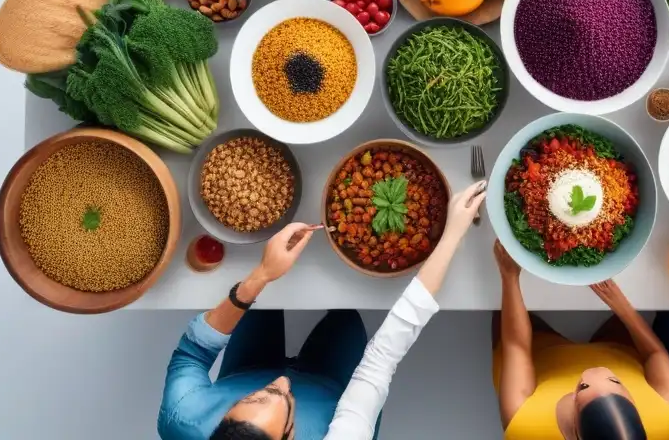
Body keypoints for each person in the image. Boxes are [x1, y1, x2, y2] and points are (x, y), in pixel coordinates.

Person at [157, 181, 486, 440]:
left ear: (223, 419)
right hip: (332, 388)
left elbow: (193, 352)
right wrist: (452, 235)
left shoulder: (181, 418)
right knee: (347, 320)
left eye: (255, 398)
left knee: (263, 309)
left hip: (245, 367)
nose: (283, 379)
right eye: (285, 401)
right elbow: (380, 361)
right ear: (289, 435)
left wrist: (262, 275)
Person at [493, 240, 669, 439]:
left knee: (497, 312)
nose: (595, 370)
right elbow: (654, 353)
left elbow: (517, 347)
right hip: (618, 350)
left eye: (583, 386)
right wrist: (620, 305)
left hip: (543, 354)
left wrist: (509, 276)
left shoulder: (525, 426)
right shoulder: (665, 419)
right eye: (616, 382)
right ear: (635, 404)